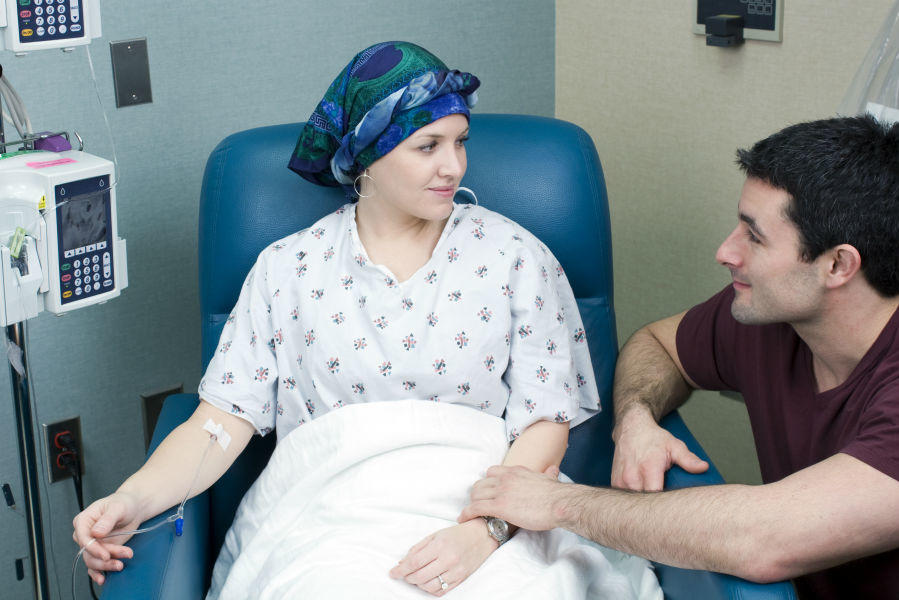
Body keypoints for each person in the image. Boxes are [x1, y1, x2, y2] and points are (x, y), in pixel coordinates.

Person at [72, 41, 602, 597]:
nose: (454, 165)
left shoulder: (513, 255)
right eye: (428, 146)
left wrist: (484, 532)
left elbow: (544, 423)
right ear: (366, 155)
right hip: (332, 520)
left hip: (486, 511)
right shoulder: (289, 269)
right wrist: (131, 499)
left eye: (460, 141)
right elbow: (218, 424)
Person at [461, 115, 899, 599]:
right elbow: (657, 344)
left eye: (754, 237)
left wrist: (557, 504)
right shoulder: (776, 317)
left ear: (837, 264)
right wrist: (635, 418)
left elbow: (763, 540)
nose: (725, 252)